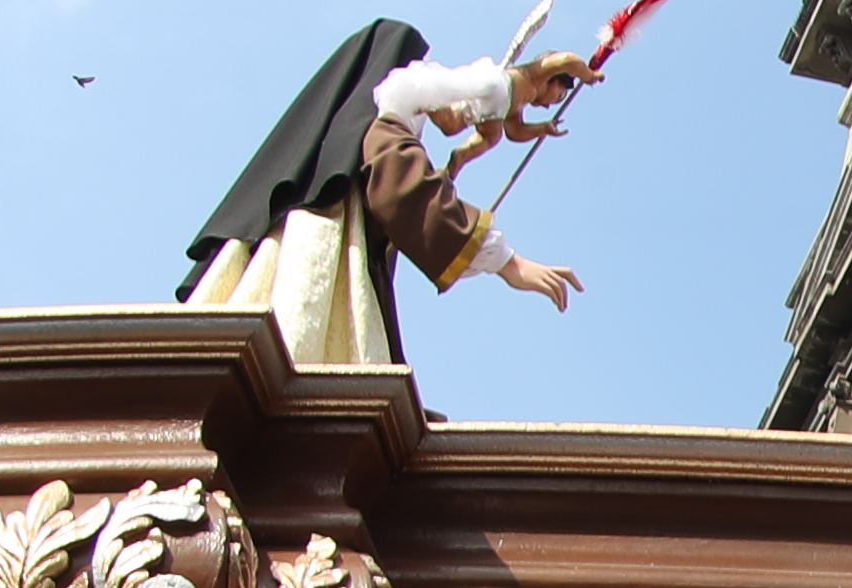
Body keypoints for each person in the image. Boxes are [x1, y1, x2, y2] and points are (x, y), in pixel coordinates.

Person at [181, 20, 588, 359]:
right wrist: (509, 263)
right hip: (315, 273)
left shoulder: (343, 149)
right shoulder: (386, 130)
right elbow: (408, 196)